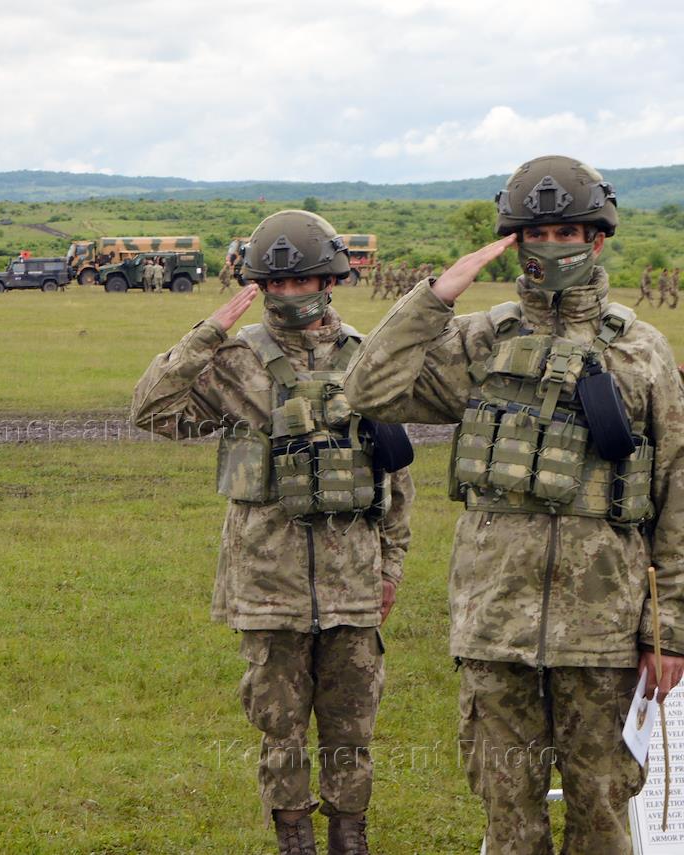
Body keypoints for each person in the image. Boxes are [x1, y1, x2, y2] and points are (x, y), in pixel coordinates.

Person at [343, 156, 684, 854]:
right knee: (508, 818)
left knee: (603, 819)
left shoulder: (641, 352)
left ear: (597, 239)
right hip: (494, 624)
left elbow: (677, 489)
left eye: (567, 233)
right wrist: (436, 296)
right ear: (513, 241)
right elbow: (368, 390)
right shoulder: (480, 341)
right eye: (536, 233)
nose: (551, 248)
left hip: (605, 629)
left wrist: (669, 629)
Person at [132, 210, 414, 855]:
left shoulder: (367, 360)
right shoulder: (234, 362)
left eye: (302, 280)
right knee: (278, 727)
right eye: (275, 283)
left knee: (352, 727)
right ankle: (294, 839)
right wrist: (206, 335)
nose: (288, 294)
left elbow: (397, 478)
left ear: (330, 279)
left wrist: (391, 569)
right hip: (266, 583)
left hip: (353, 580)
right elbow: (151, 412)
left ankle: (349, 835)